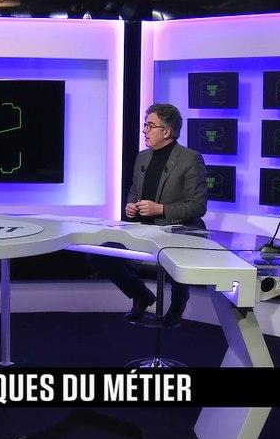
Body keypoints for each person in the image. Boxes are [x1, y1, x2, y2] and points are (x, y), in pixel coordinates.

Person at [88, 103, 207, 327]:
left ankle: (177, 307)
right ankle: (141, 295)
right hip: (143, 230)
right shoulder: (142, 157)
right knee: (97, 253)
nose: (144, 130)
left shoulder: (190, 159)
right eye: (145, 125)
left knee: (176, 254)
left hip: (177, 232)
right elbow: (135, 191)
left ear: (167, 131)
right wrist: (130, 206)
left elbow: (197, 206)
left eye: (150, 126)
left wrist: (160, 209)